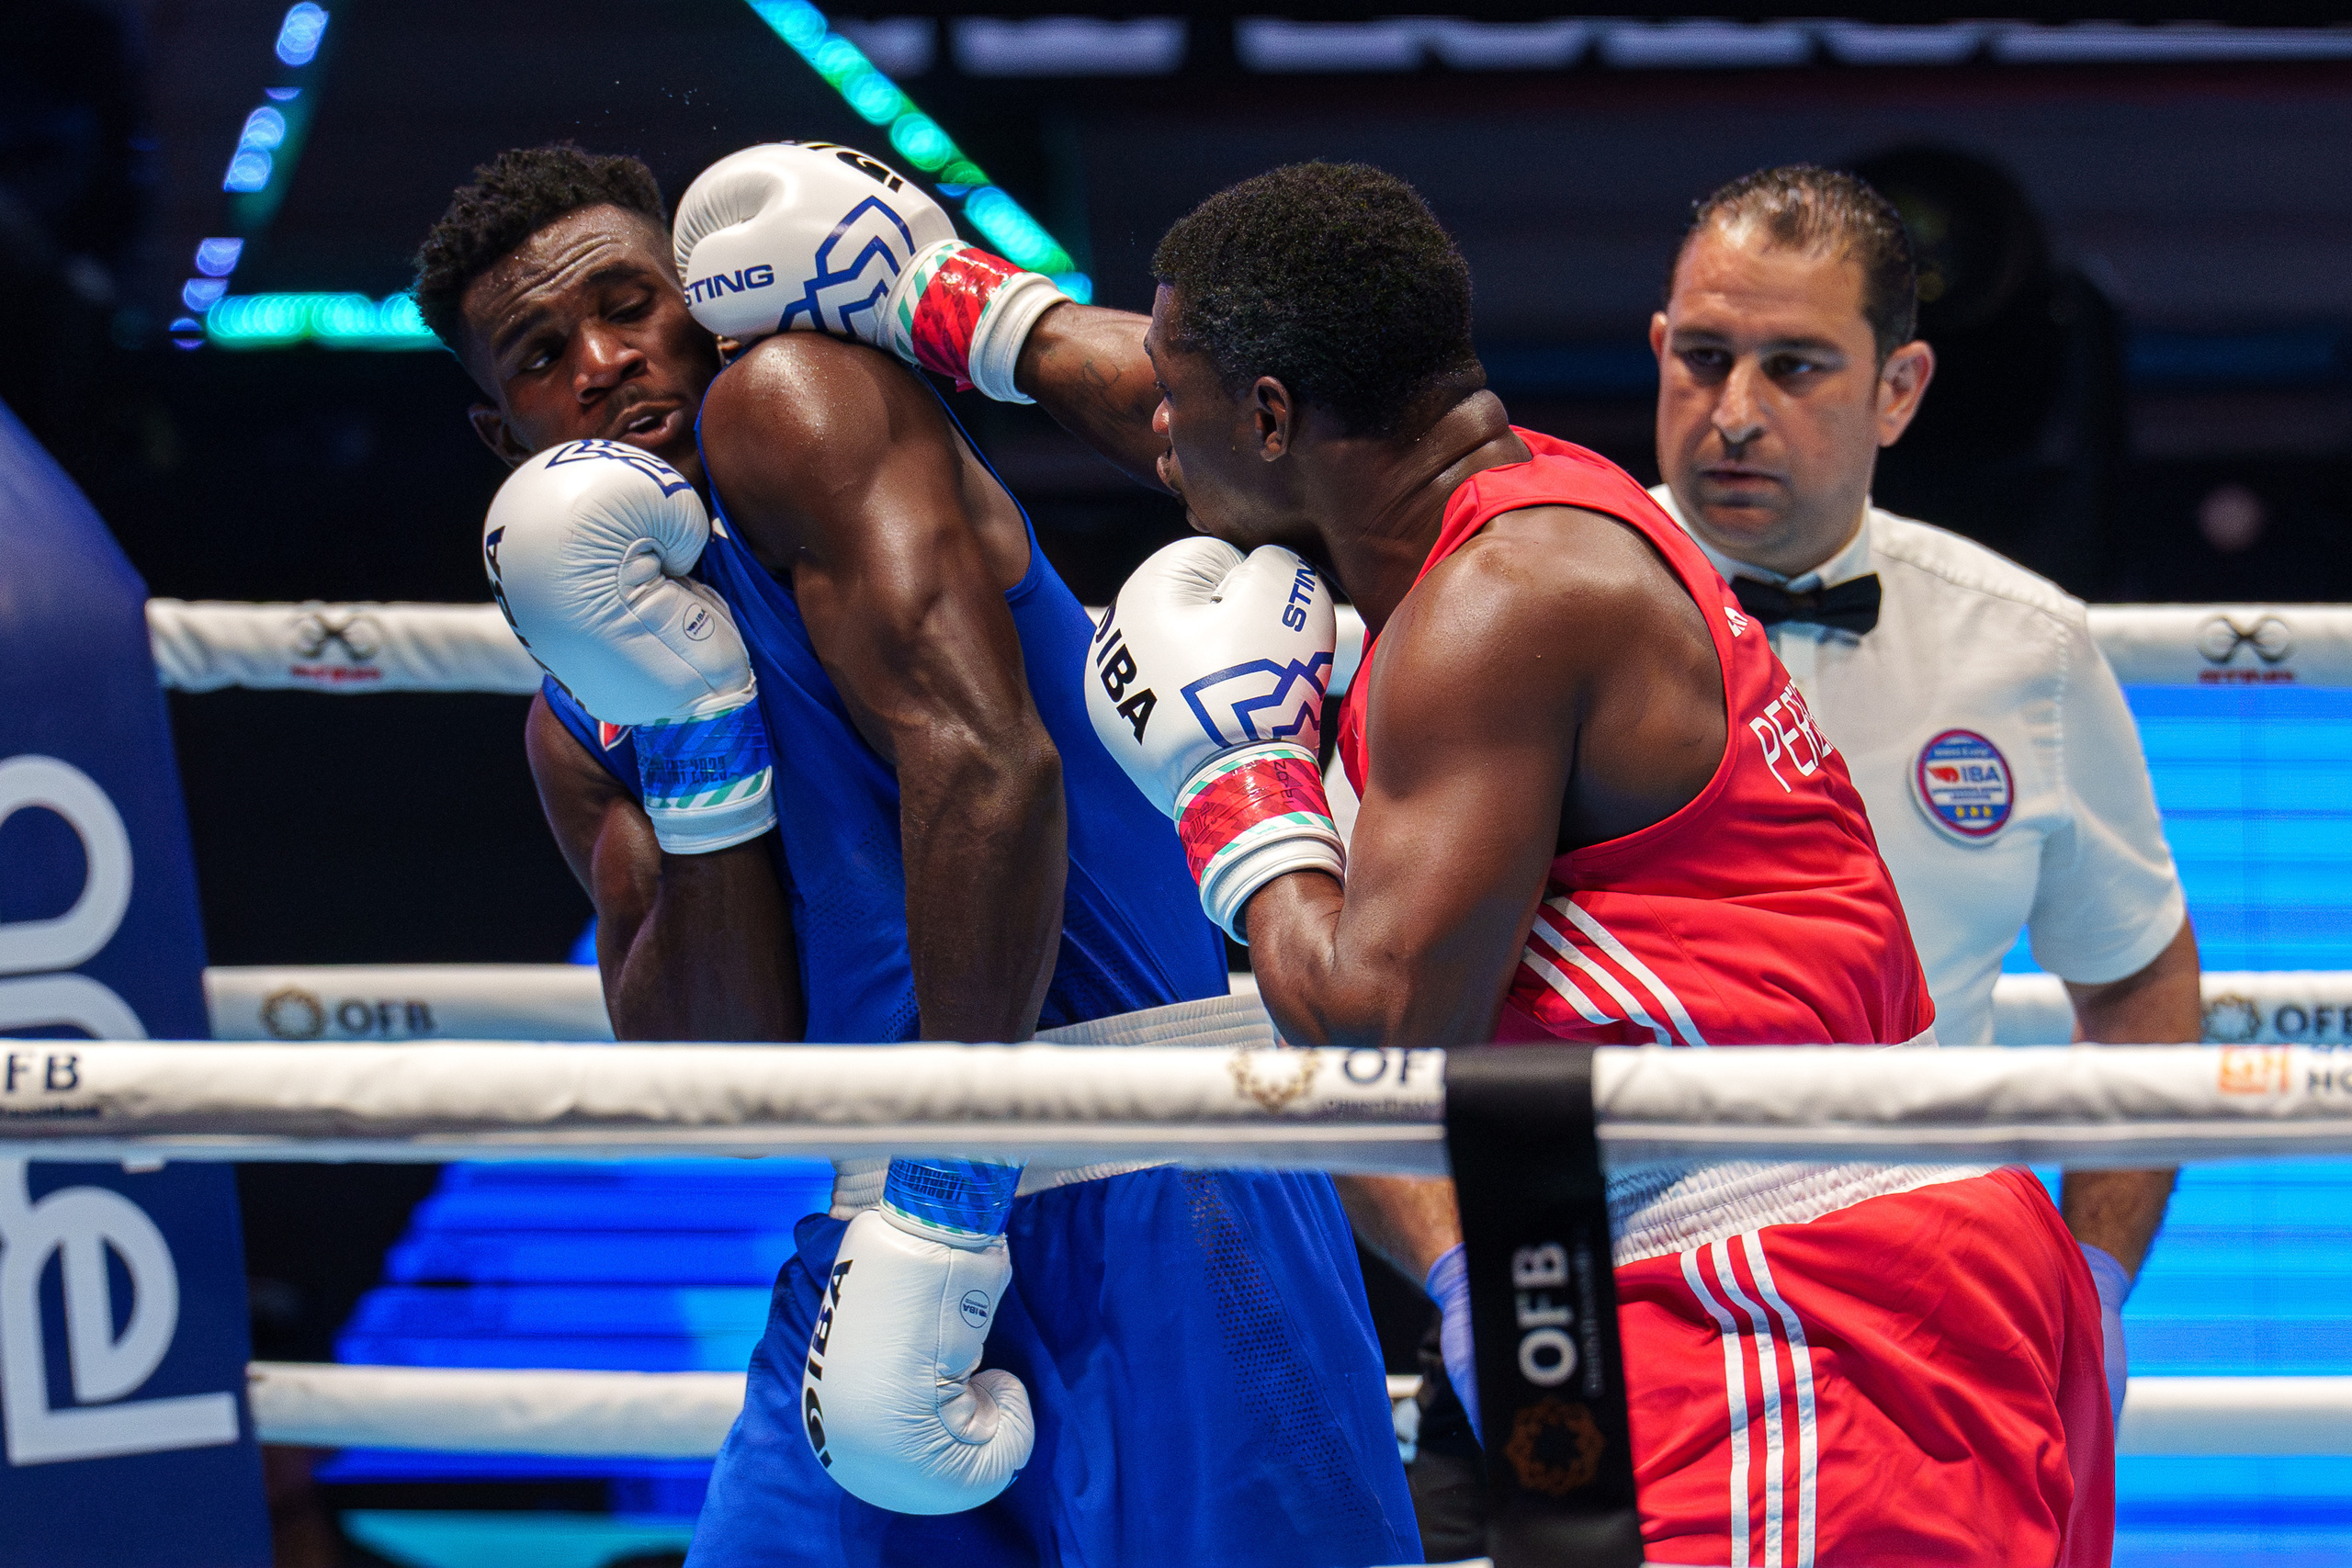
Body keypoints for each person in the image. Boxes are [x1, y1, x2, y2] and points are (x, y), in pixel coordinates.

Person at [846, 161, 2114, 1565]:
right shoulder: (1515, 508)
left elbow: (1384, 1036)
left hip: (1792, 1300)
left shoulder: (1500, 603)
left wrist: (1235, 783)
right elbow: (1175, 387)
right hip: (1765, 1270)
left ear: (1271, 417)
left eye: (1179, 411)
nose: (1155, 445)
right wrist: (936, 300)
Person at [413, 142, 1418, 1567]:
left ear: (704, 306)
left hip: (1150, 1182)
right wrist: (695, 743)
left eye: (632, 306)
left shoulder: (792, 403)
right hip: (877, 1236)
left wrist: (952, 1187)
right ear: (497, 431)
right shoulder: (580, 717)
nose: (602, 362)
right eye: (538, 354)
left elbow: (990, 767)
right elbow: (724, 1054)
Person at [1645, 161, 2193, 1402]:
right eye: (1705, 357)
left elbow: (2143, 973)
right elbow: (1381, 1000)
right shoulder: (1521, 614)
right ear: (1660, 350)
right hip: (1607, 1287)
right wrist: (1475, 1275)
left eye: (1793, 366)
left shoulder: (2023, 648)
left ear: (1900, 389)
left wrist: (2091, 1284)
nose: (1734, 411)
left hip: (1926, 1313)